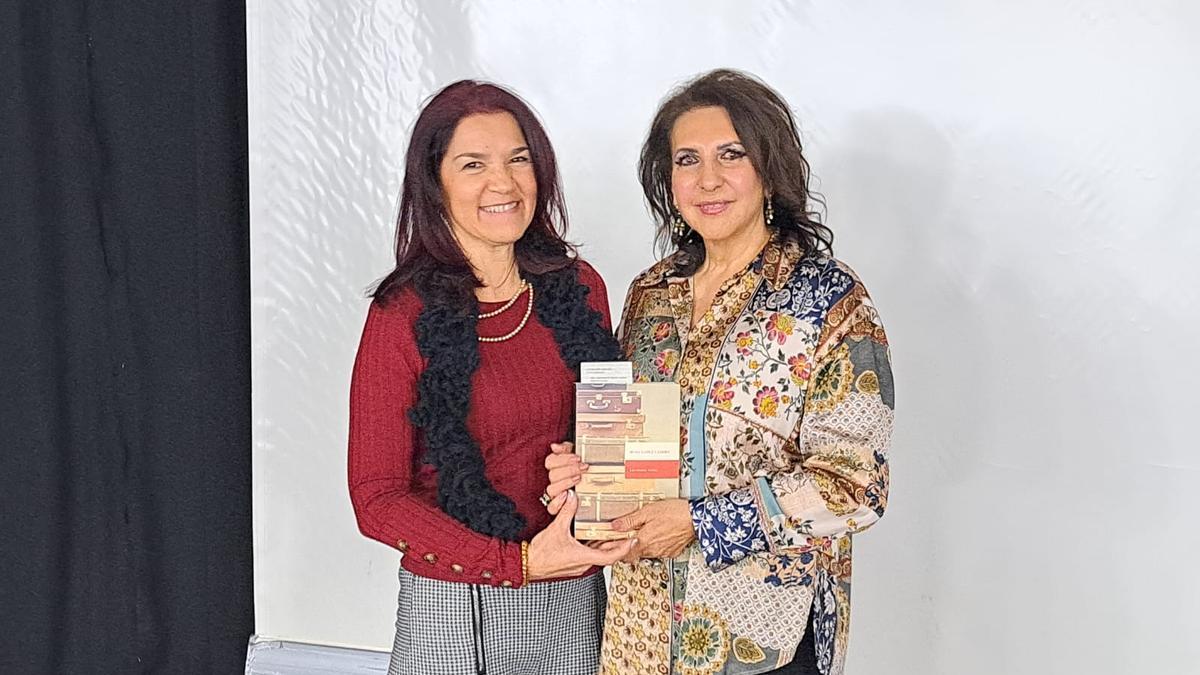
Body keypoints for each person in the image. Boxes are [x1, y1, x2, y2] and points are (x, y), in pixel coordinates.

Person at [544, 69, 894, 675]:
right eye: (687, 159)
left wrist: (700, 523)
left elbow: (857, 485)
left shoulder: (828, 301)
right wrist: (585, 470)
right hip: (641, 625)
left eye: (731, 154)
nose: (708, 179)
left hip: (760, 633)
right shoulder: (651, 294)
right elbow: (634, 444)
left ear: (769, 169)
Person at [348, 80, 634, 675]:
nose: (502, 183)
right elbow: (376, 499)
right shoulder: (401, 316)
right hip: (453, 606)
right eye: (473, 164)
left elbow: (617, 442)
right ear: (435, 183)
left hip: (573, 592)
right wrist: (515, 563)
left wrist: (589, 466)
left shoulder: (583, 288)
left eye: (518, 159)